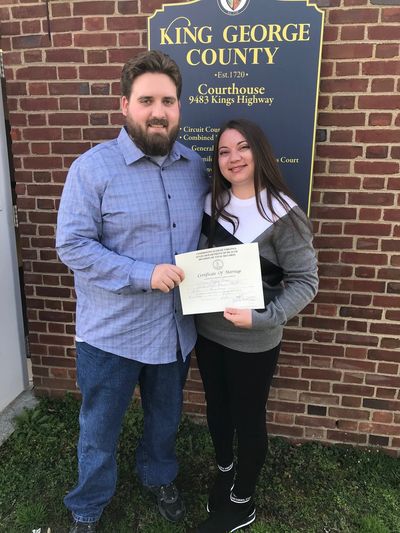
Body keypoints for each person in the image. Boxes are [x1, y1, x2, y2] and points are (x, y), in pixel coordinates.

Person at [56, 50, 209, 533]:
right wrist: (144, 273)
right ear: (125, 105)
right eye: (147, 100)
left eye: (168, 100)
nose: (158, 111)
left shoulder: (196, 168)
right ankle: (88, 504)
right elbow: (73, 246)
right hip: (111, 336)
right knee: (99, 429)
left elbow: (207, 237)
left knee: (165, 420)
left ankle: (158, 477)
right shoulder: (93, 169)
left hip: (173, 332)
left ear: (179, 107)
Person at [195, 119, 318, 533]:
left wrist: (264, 318)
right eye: (224, 152)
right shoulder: (212, 205)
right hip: (208, 335)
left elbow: (305, 281)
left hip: (255, 340)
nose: (233, 158)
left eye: (242, 148)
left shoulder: (283, 212)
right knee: (217, 409)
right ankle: (226, 471)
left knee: (248, 416)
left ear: (259, 152)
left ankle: (243, 500)